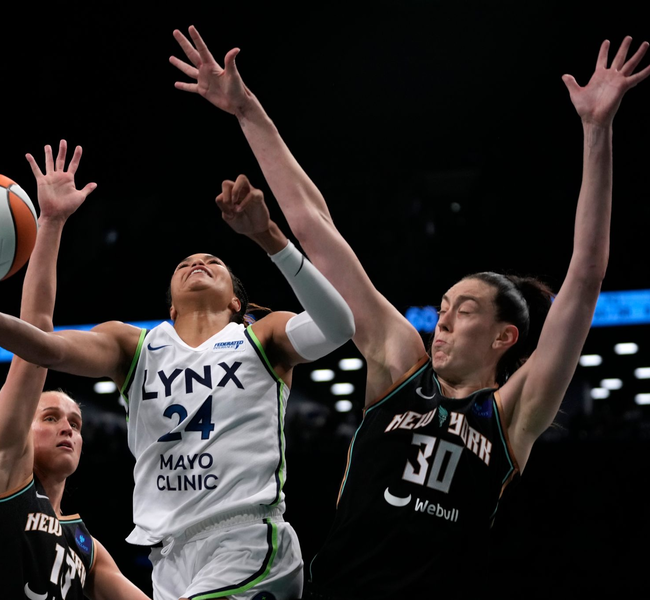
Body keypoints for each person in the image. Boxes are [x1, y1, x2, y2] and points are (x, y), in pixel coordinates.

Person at [170, 26, 649, 599]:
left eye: (464, 311)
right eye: (443, 307)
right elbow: (315, 229)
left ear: (504, 336)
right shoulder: (401, 365)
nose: (442, 320)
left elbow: (586, 277)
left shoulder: (513, 413)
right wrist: (248, 111)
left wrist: (597, 131)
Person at [0, 152, 356, 596]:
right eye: (184, 264)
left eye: (213, 262)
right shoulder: (136, 347)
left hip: (244, 540)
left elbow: (338, 327)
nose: (198, 263)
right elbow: (42, 345)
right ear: (170, 305)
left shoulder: (262, 338)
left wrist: (269, 238)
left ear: (235, 304)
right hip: (168, 558)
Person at [0, 141, 150, 600]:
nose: (67, 428)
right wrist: (49, 223)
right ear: (19, 429)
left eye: (75, 422)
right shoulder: (5, 474)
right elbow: (37, 338)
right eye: (50, 417)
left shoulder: (86, 546)